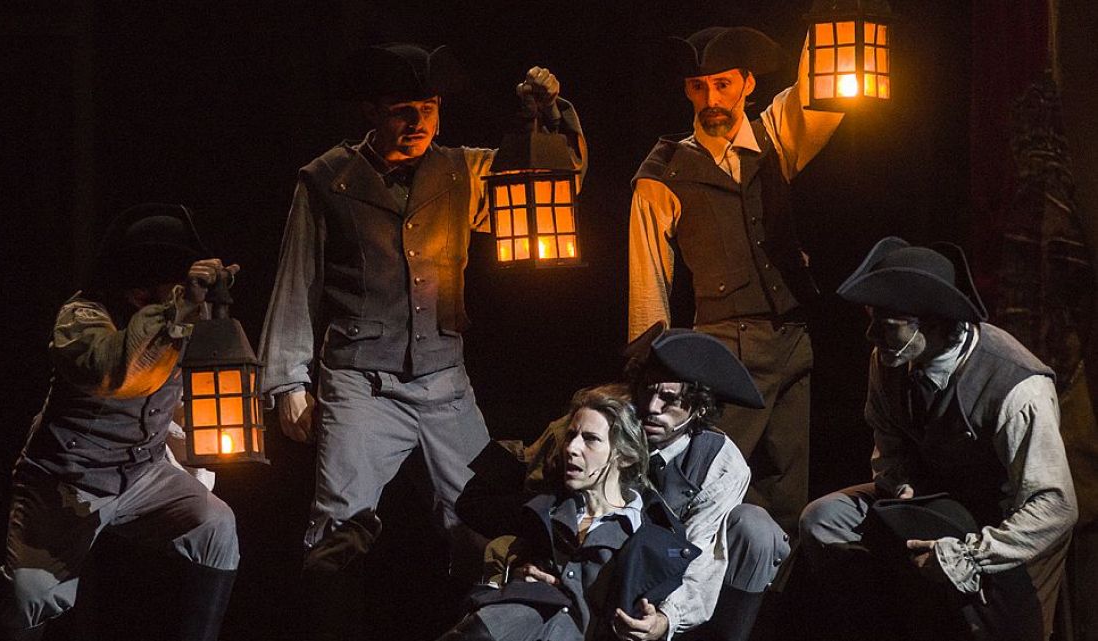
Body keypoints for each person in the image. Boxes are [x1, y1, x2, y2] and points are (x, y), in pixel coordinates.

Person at [258, 42, 585, 587]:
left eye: (428, 109)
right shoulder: (328, 179)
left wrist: (546, 117)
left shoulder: (460, 171)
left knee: (484, 516)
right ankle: (328, 614)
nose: (418, 124)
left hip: (443, 383)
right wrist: (289, 382)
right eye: (402, 111)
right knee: (338, 530)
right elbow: (298, 281)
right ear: (371, 111)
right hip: (361, 385)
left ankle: (488, 617)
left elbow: (553, 177)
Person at [799, 237, 1078, 641]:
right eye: (871, 318)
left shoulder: (1018, 387)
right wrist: (900, 485)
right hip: (934, 501)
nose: (871, 334)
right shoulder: (889, 359)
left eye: (887, 325)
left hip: (1007, 525)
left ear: (933, 323)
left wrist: (968, 556)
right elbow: (889, 441)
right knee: (824, 520)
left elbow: (1053, 506)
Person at [628, 26, 844, 536]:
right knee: (710, 489)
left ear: (748, 83)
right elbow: (648, 279)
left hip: (791, 340)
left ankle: (776, 585)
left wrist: (833, 17)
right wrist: (650, 367)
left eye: (723, 85)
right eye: (699, 87)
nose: (711, 100)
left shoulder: (775, 136)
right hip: (725, 350)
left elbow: (823, 82)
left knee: (787, 494)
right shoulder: (663, 172)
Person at [0, 203, 241, 641]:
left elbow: (198, 384)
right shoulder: (81, 318)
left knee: (216, 526)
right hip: (69, 480)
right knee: (28, 594)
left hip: (143, 472)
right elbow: (116, 373)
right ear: (140, 290)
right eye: (173, 280)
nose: (182, 290)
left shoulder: (182, 318)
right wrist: (178, 310)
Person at [457, 325, 789, 641]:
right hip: (590, 566)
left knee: (755, 528)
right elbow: (538, 503)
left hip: (666, 574)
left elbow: (703, 558)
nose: (652, 407)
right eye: (648, 389)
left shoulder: (719, 463)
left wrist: (666, 619)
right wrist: (524, 561)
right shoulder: (601, 422)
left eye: (669, 399)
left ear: (699, 408)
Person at [438, 385, 698, 641]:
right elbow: (471, 506)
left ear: (625, 456)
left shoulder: (648, 538)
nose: (572, 448)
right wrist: (517, 571)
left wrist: (653, 622)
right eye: (571, 435)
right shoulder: (546, 509)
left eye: (591, 439)